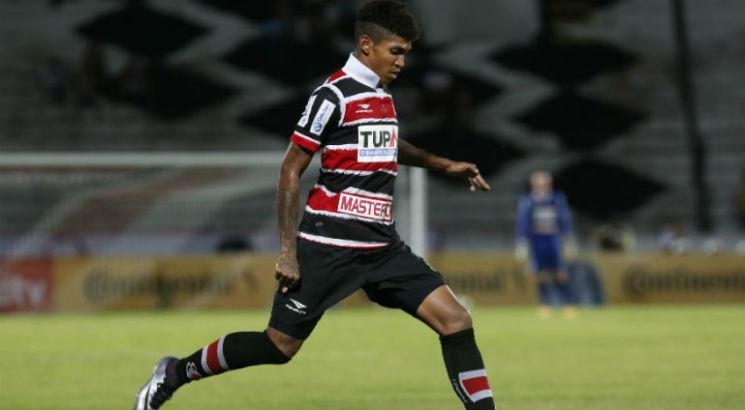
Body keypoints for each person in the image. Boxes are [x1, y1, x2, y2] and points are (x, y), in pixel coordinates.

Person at [133, 2, 496, 409]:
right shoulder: (332, 95)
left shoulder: (382, 96)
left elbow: (388, 144)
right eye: (396, 51)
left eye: (406, 53)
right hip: (328, 244)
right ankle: (174, 373)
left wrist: (445, 164)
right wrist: (288, 252)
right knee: (278, 346)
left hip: (381, 246)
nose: (402, 62)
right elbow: (290, 169)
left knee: (456, 321)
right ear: (366, 44)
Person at [514, 170, 577, 318]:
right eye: (538, 183)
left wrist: (568, 239)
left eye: (544, 183)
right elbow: (522, 222)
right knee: (540, 274)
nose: (541, 186)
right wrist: (521, 242)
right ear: (533, 184)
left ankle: (567, 304)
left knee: (561, 273)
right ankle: (545, 305)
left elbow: (564, 220)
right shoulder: (528, 200)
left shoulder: (557, 199)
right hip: (537, 240)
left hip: (553, 238)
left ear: (549, 184)